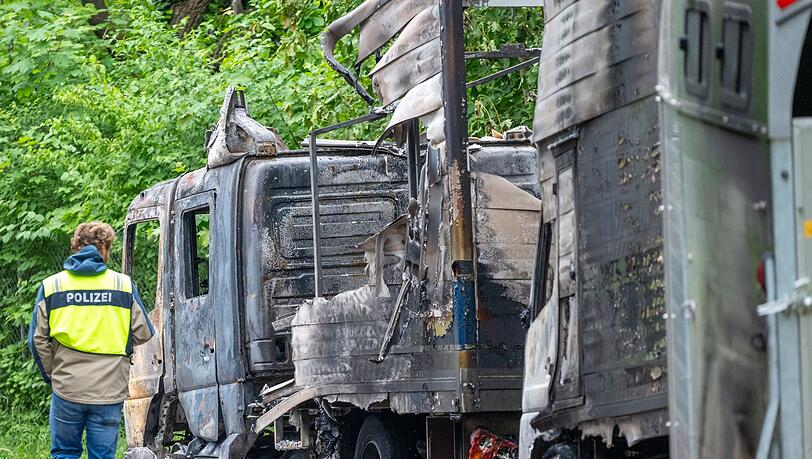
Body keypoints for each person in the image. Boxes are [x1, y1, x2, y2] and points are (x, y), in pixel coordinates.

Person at [27, 222, 155, 459]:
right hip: (109, 389)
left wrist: (53, 374)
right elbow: (144, 332)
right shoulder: (123, 285)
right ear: (104, 248)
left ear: (76, 246)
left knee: (65, 453)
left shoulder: (53, 286)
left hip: (67, 387)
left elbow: (37, 340)